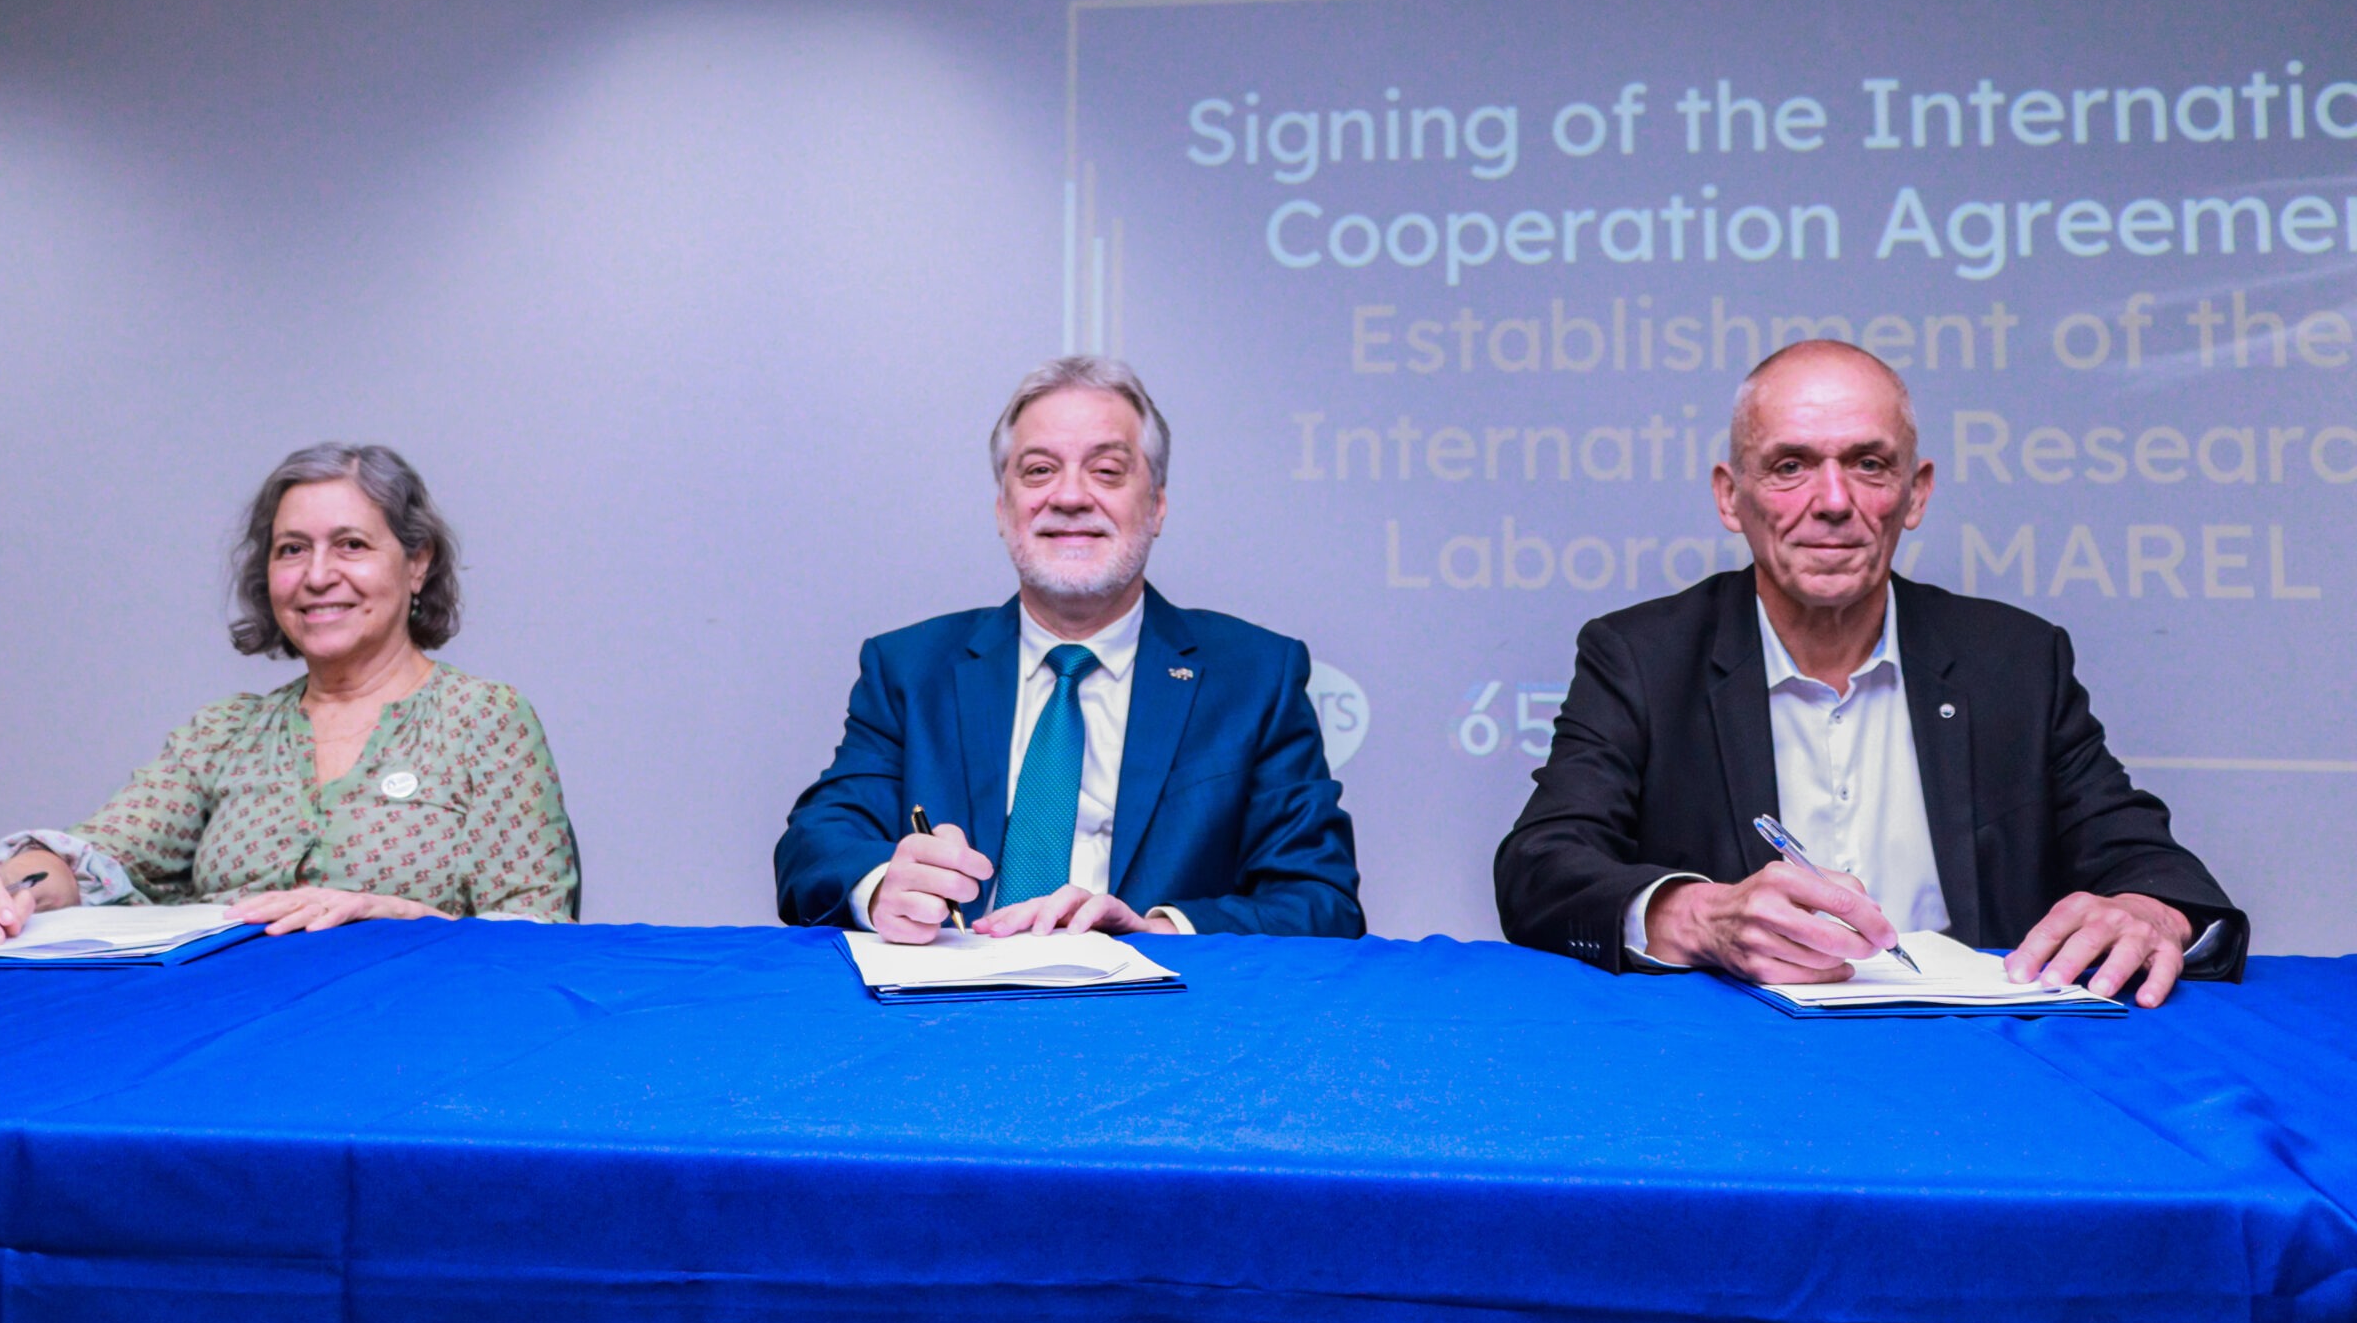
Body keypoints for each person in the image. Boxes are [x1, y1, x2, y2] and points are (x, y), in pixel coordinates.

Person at [1495, 340, 2244, 1007]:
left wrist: (2149, 909)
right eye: (1790, 465)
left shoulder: (2015, 659)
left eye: (1868, 464)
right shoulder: (1642, 655)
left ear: (1916, 492)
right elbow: (1540, 866)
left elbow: (2145, 858)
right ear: (1731, 495)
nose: (1832, 501)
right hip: (1731, 1069)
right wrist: (1701, 917)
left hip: (1982, 1068)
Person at [776, 357, 1362, 941]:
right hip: (949, 1010)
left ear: (1156, 504)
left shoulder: (1255, 676)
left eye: (1107, 471)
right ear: (1003, 509)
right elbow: (815, 842)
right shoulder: (910, 670)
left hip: (1159, 1018)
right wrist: (882, 886)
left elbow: (1319, 899)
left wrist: (1157, 926)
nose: (1071, 496)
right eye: (1038, 471)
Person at [0, 443, 579, 941]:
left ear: (417, 561)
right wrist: (9, 886)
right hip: (219, 1054)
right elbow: (100, 853)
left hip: (416, 1050)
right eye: (292, 549)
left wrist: (395, 913)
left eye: (350, 544)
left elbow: (539, 931)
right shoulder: (226, 733)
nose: (317, 575)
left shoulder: (486, 720)